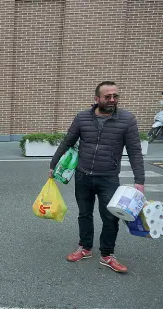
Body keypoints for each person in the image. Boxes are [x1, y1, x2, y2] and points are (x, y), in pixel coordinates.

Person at [49, 81, 145, 273]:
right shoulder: (82, 117)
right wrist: (53, 165)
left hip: (108, 178)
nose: (112, 100)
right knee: (84, 214)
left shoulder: (127, 119)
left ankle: (107, 254)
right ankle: (85, 248)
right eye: (107, 96)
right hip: (83, 176)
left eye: (115, 96)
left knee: (110, 217)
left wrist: (139, 181)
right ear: (97, 99)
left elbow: (135, 151)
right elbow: (68, 141)